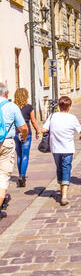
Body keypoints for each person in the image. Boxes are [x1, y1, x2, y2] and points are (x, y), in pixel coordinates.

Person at [42, 96, 81, 206]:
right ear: (69, 107)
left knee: (59, 168)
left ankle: (62, 190)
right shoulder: (72, 118)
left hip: (55, 148)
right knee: (66, 167)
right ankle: (64, 195)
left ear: (59, 106)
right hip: (67, 148)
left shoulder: (52, 116)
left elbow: (44, 129)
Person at [0, 82, 28, 220]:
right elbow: (23, 127)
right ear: (6, 93)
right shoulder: (11, 106)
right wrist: (24, 135)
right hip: (6, 142)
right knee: (4, 175)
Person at [14, 88, 40, 187]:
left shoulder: (13, 107)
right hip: (26, 132)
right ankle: (22, 175)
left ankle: (20, 174)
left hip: (16, 133)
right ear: (26, 96)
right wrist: (37, 130)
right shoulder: (29, 107)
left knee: (19, 155)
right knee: (25, 155)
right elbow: (33, 121)